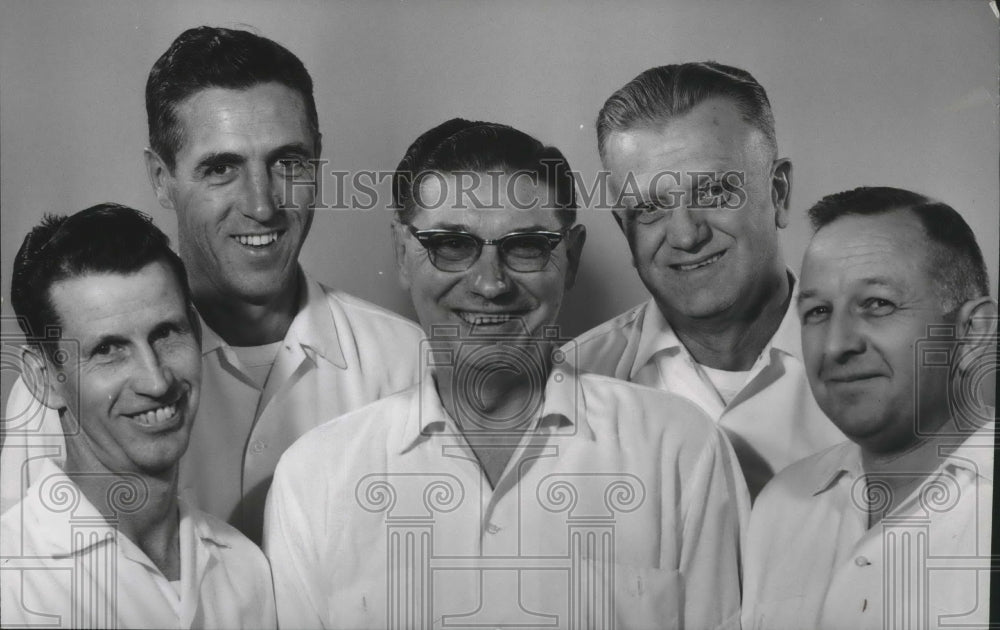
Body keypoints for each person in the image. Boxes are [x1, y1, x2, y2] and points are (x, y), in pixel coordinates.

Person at [263, 118, 744, 630]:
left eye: (527, 246)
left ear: (572, 257)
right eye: (451, 244)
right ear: (403, 255)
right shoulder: (315, 481)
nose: (490, 284)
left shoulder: (680, 450)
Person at [1, 26, 424, 543]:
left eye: (287, 163)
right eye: (221, 168)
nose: (262, 205)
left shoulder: (407, 363)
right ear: (161, 177)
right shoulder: (69, 384)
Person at [572, 61, 844, 498]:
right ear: (625, 227)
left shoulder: (890, 374)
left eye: (714, 192)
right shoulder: (571, 386)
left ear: (779, 193)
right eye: (650, 208)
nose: (685, 235)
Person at [1, 204, 276, 629]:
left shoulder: (245, 567)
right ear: (44, 379)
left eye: (166, 333)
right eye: (108, 349)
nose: (155, 380)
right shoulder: (12, 581)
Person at [742, 187, 995, 629]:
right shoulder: (780, 505)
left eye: (878, 304)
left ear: (973, 330)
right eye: (818, 311)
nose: (837, 344)